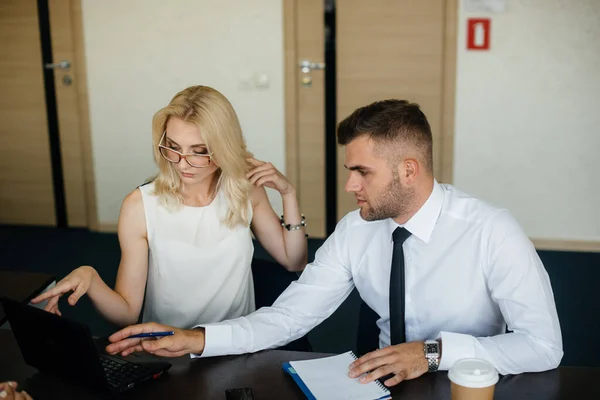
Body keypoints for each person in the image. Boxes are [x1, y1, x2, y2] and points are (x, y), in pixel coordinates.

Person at [104, 100, 563, 387]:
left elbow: (543, 346)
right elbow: (288, 317)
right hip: (379, 385)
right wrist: (196, 339)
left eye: (362, 172)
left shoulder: (491, 231)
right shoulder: (356, 230)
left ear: (408, 170)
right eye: (349, 170)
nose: (349, 185)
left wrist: (432, 353)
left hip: (466, 385)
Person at [32, 85, 307, 330]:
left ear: (224, 147)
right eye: (173, 147)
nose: (182, 162)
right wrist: (91, 278)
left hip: (233, 344)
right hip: (168, 350)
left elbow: (294, 261)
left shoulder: (245, 191)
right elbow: (126, 313)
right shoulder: (140, 206)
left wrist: (288, 194)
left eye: (199, 151)